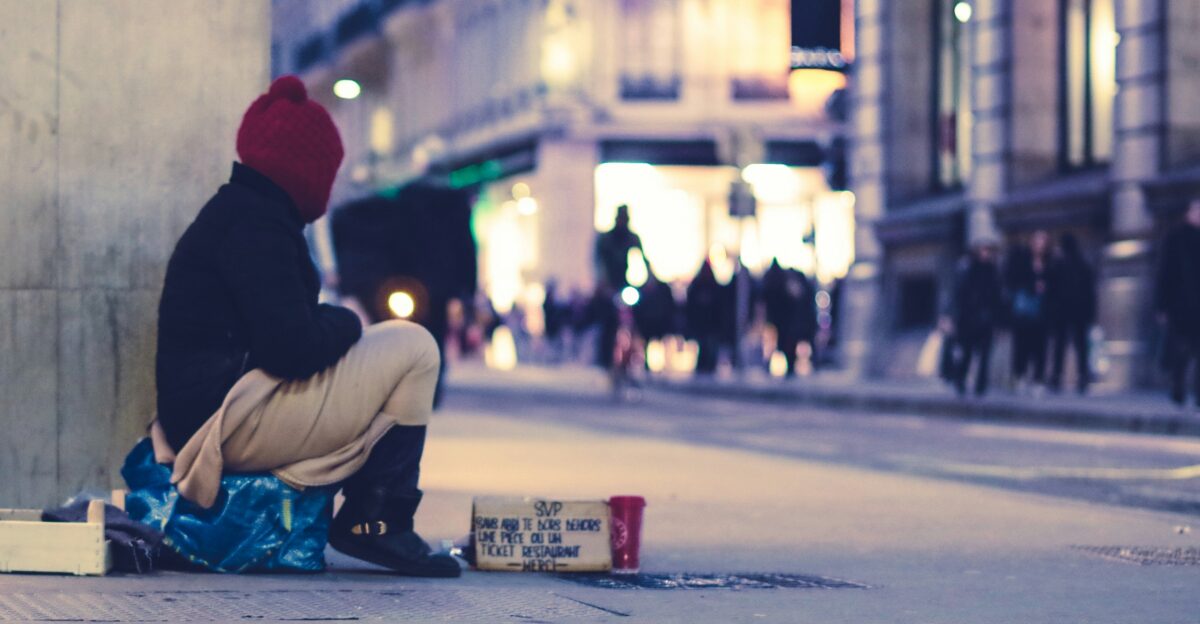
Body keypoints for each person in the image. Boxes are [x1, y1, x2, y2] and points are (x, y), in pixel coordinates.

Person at [154, 76, 459, 577]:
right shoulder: (255, 224)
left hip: (224, 407)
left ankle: (374, 514)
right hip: (222, 423)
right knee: (415, 345)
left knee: (396, 341)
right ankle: (377, 521)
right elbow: (291, 348)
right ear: (306, 168)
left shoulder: (245, 213)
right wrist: (344, 320)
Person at [1154, 198, 1200, 407]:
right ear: (1188, 212)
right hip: (1180, 306)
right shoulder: (1175, 238)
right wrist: (1162, 306)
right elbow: (1165, 273)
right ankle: (1178, 388)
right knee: (1180, 351)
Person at [951, 238, 1004, 397]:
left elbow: (997, 298)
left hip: (986, 320)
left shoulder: (993, 272)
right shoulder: (967, 270)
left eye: (988, 250)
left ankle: (980, 386)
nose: (986, 254)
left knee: (985, 355)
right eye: (983, 250)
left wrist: (997, 319)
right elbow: (959, 295)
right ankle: (960, 381)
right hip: (968, 320)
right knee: (966, 353)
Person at [1047, 233, 1096, 393]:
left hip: (1063, 312)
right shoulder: (1083, 264)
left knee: (1061, 346)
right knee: (1080, 346)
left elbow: (1052, 291)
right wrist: (1091, 313)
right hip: (1080, 312)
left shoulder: (1059, 264)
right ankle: (1082, 376)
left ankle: (1056, 376)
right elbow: (1090, 292)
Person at [1004, 230, 1052, 392]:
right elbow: (1013, 280)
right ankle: (1019, 376)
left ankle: (1038, 379)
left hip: (1042, 311)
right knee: (1022, 345)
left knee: (1040, 347)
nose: (1040, 245)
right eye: (1037, 241)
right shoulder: (1022, 260)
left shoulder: (1049, 261)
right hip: (1024, 311)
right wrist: (1033, 285)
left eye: (1043, 242)